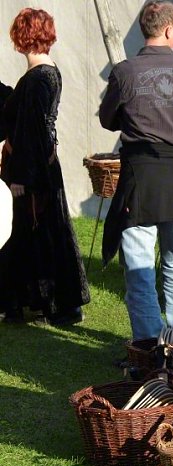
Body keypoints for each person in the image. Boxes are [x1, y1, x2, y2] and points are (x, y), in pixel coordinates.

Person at [99, 0, 173, 341]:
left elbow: (106, 118)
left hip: (142, 172)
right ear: (170, 30)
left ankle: (148, 347)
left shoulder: (125, 71)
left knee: (140, 265)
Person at [0, 8, 89, 326]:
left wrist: (23, 176)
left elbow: (35, 131)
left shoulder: (40, 77)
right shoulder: (40, 74)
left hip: (32, 171)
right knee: (33, 236)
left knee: (36, 235)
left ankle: (52, 305)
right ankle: (31, 304)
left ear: (23, 36)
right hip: (36, 167)